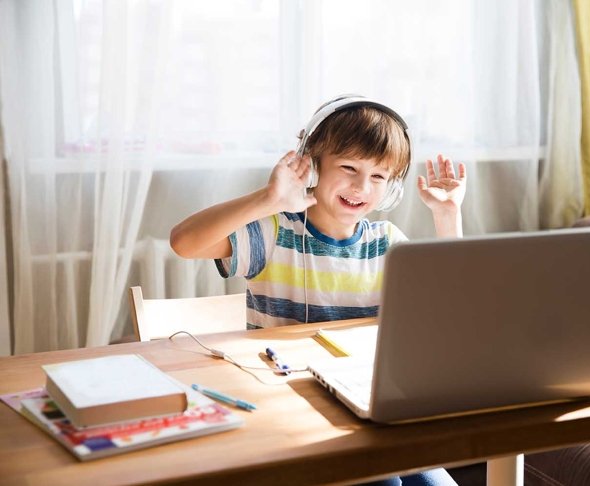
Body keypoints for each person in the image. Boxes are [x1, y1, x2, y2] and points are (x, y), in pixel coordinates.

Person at [170, 97, 466, 485]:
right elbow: (184, 241)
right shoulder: (275, 234)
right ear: (312, 166)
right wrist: (268, 200)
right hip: (293, 412)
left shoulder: (387, 242)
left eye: (379, 176)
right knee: (384, 481)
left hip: (366, 405)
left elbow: (454, 304)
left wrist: (448, 216)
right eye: (349, 168)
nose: (362, 186)